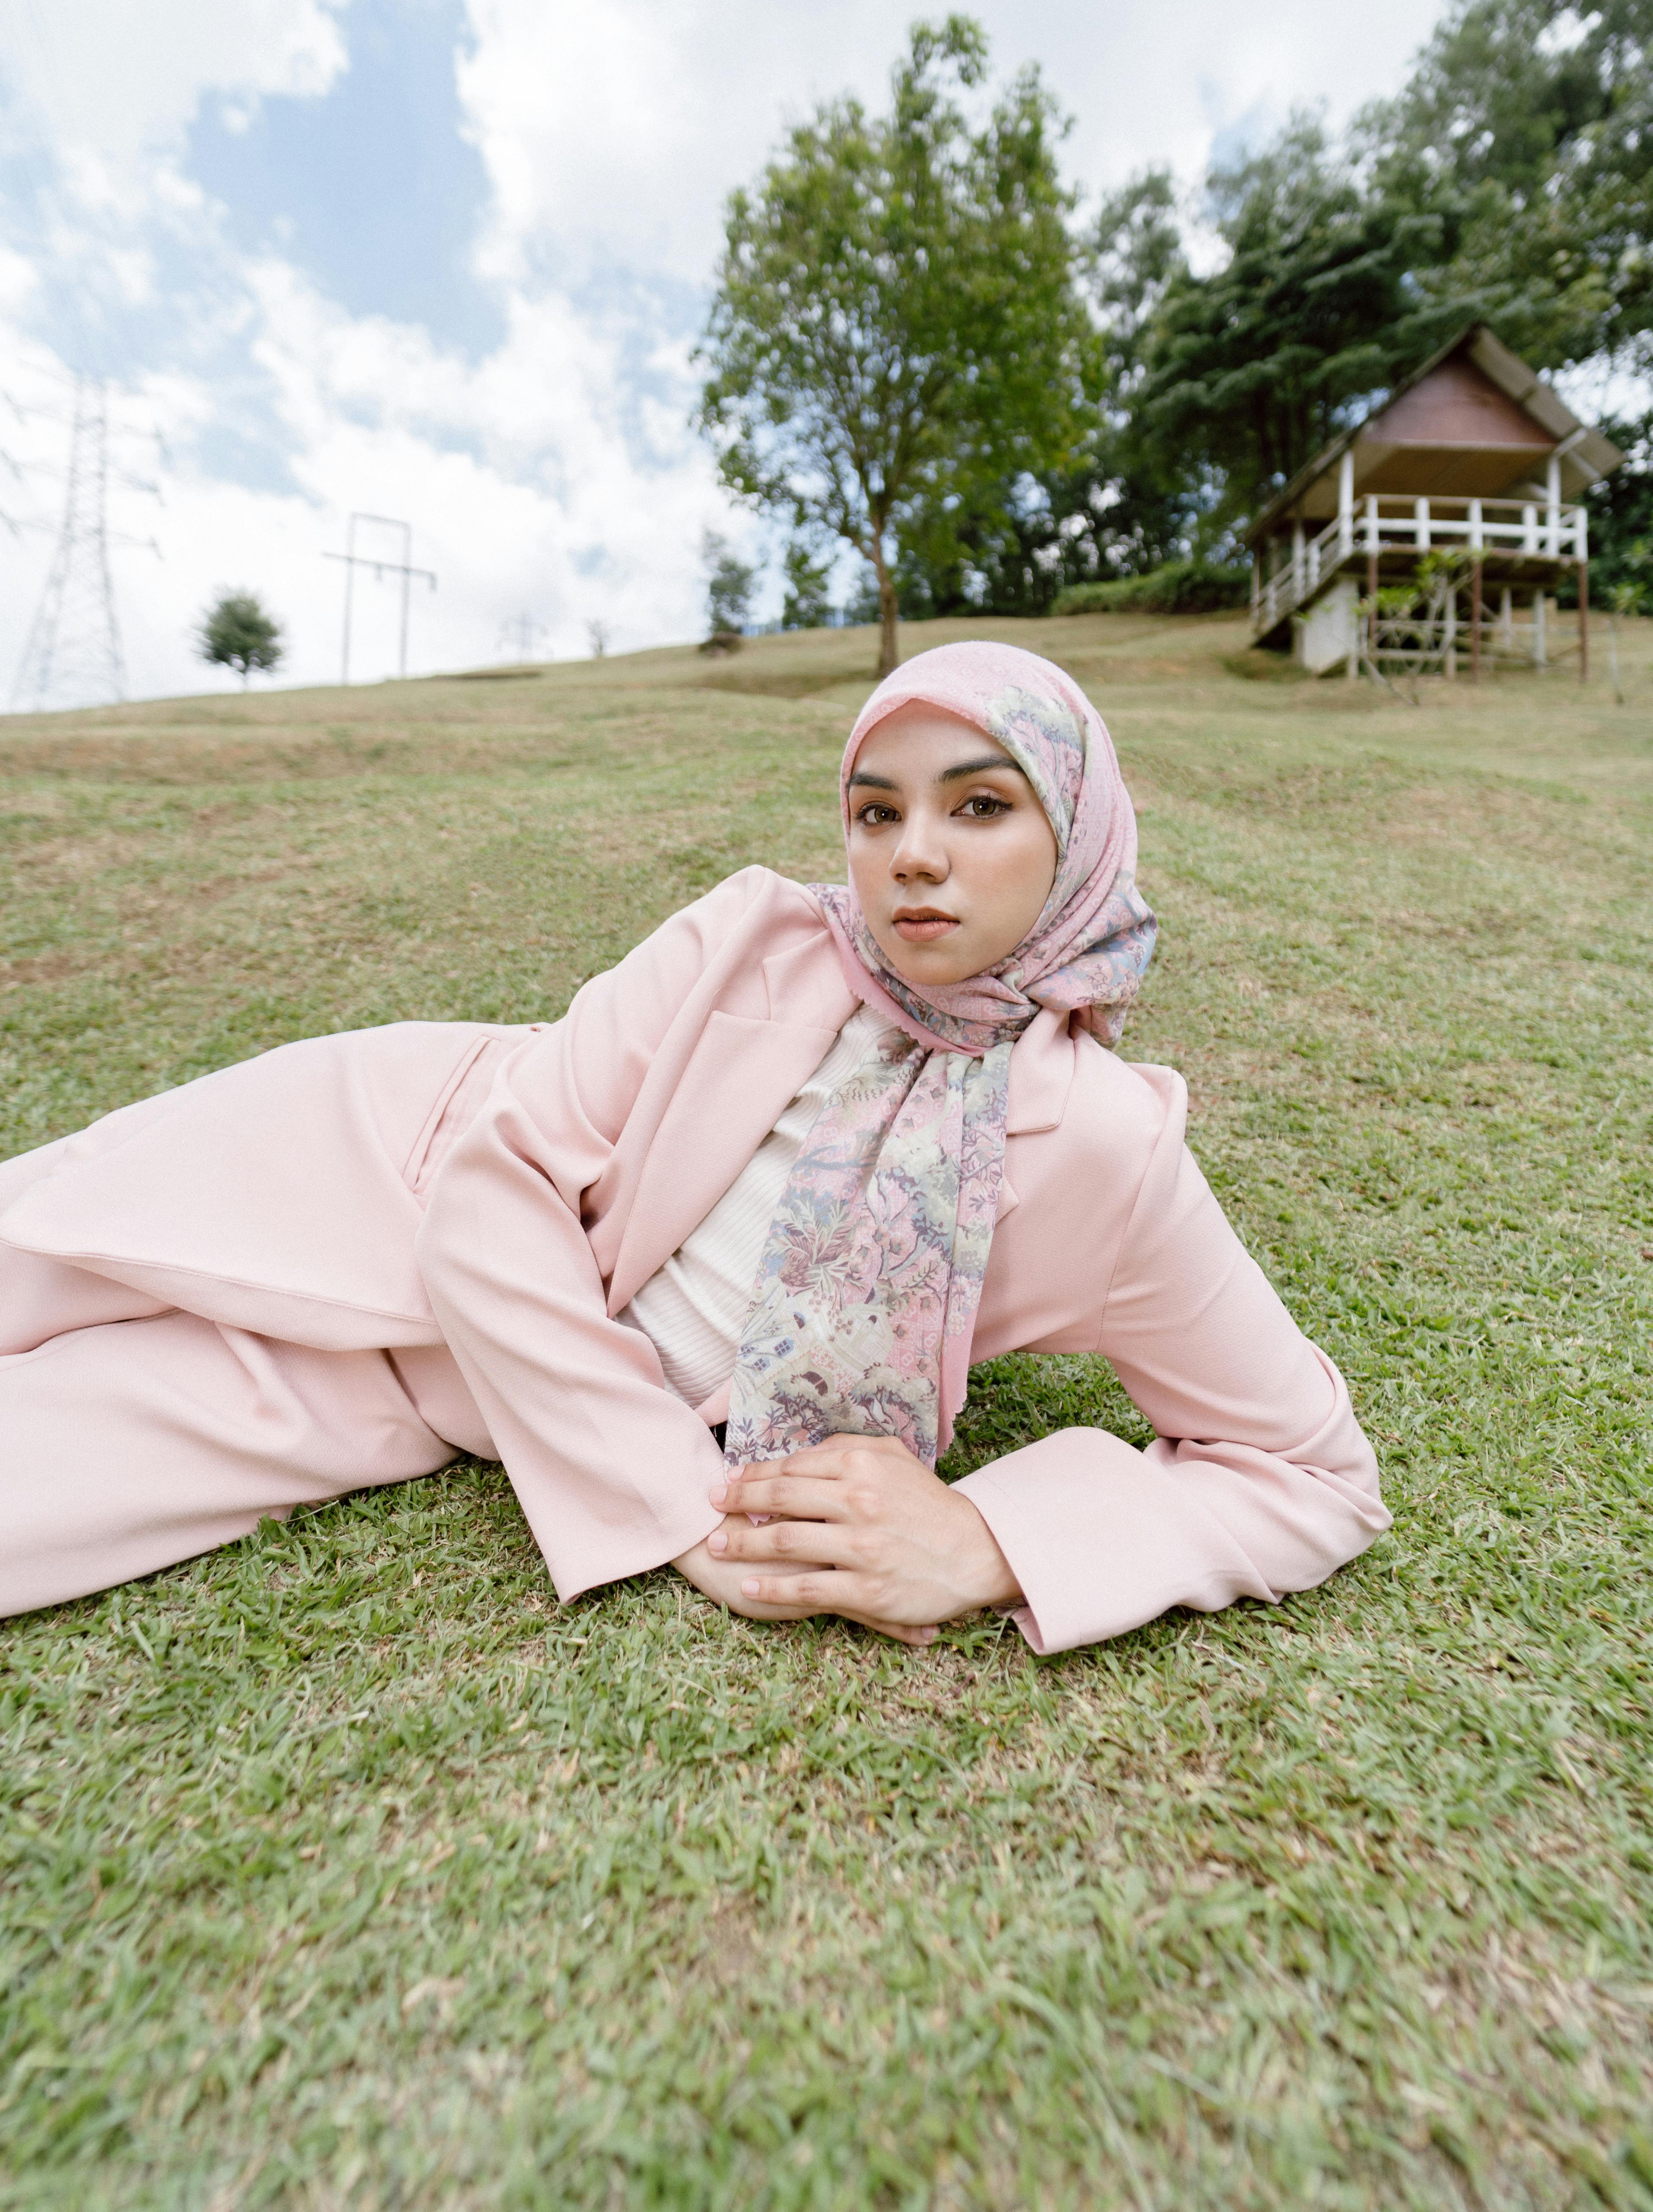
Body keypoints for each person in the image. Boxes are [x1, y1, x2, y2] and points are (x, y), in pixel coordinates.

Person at [0, 642, 1388, 1649]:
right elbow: (497, 1183)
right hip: (368, 1159)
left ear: (1075, 833)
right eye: (876, 809)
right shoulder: (755, 938)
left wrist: (983, 1545)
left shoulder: (1106, 1150)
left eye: (980, 804)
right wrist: (680, 1511)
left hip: (445, 1400)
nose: (911, 853)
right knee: (32, 1247)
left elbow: (1313, 1476)